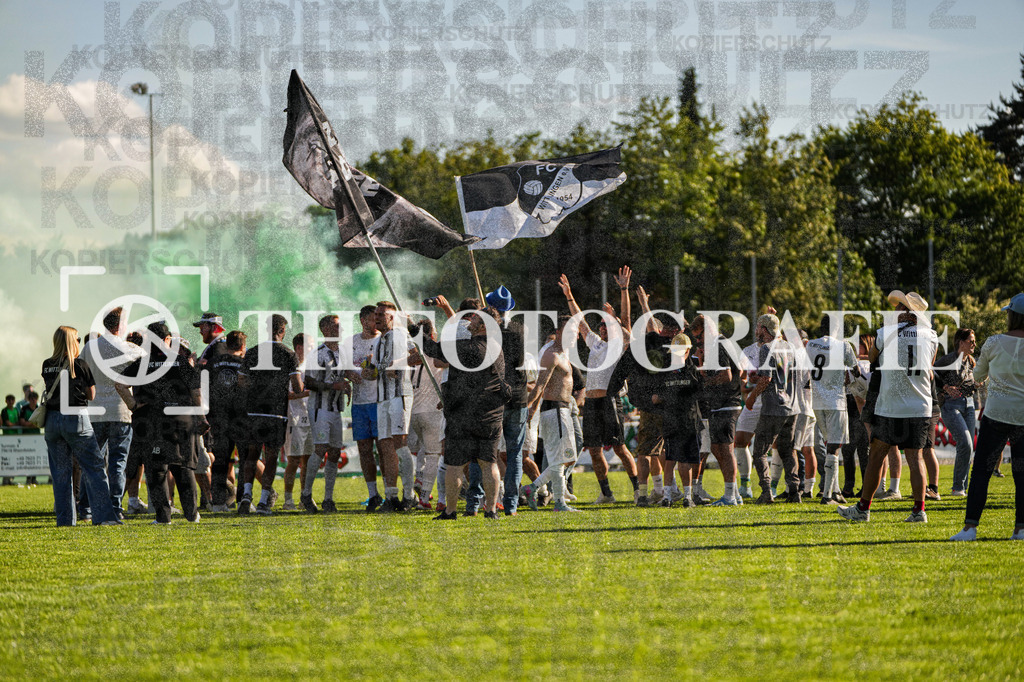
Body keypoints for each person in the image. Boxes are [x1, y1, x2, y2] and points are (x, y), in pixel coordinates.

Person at [839, 290, 938, 523]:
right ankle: (919, 511)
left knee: (875, 455)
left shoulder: (886, 333)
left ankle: (863, 509)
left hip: (891, 405)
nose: (894, 311)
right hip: (920, 405)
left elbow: (872, 358)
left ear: (905, 311)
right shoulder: (931, 335)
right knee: (916, 459)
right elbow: (929, 367)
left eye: (898, 307)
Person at [558, 271, 640, 505]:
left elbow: (627, 324)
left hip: (610, 400)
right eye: (602, 326)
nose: (603, 329)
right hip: (592, 403)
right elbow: (580, 321)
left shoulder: (620, 345)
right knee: (593, 450)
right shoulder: (596, 343)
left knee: (620, 447)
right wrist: (569, 295)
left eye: (607, 325)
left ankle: (637, 490)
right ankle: (607, 493)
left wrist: (624, 291)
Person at [422, 304, 509, 520]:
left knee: (454, 464)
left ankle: (450, 511)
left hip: (463, 415)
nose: (469, 321)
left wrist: (412, 328)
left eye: (474, 319)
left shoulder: (467, 347)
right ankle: (491, 510)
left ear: (483, 326)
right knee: (489, 462)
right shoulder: (497, 348)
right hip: (490, 416)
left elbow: (431, 349)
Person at [951, 293, 1024, 541]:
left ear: (1012, 316)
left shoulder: (993, 342)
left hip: (997, 414)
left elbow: (978, 375)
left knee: (981, 471)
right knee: (1022, 473)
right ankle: (1021, 529)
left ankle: (970, 528)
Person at [118, 321, 207, 525]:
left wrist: (132, 405)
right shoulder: (181, 361)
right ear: (167, 339)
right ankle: (192, 515)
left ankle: (163, 517)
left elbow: (119, 384)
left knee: (156, 469)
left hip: (152, 423)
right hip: (182, 421)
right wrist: (201, 417)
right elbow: (196, 392)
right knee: (183, 467)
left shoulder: (143, 363)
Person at [41, 326, 121, 526]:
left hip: (52, 420)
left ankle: (65, 521)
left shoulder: (46, 365)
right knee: (94, 468)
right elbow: (91, 395)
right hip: (75, 418)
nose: (78, 342)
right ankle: (104, 517)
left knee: (61, 474)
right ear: (71, 341)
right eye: (76, 338)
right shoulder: (80, 365)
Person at [81, 306, 145, 518]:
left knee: (92, 461)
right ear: (121, 325)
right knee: (118, 463)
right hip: (121, 411)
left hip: (95, 410)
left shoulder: (90, 348)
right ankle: (115, 508)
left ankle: (86, 507)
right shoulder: (131, 349)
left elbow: (79, 371)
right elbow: (147, 365)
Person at [238, 314, 303, 515]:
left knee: (251, 455)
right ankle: (264, 501)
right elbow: (298, 388)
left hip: (254, 410)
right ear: (282, 330)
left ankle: (247, 496)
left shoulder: (253, 352)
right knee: (271, 457)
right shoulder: (289, 354)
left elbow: (241, 382)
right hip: (276, 413)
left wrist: (256, 389)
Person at [522, 314, 581, 512]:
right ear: (558, 333)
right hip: (554, 410)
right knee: (560, 458)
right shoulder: (552, 354)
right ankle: (559, 503)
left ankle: (533, 488)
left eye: (576, 332)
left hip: (563, 410)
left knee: (567, 458)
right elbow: (540, 385)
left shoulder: (564, 354)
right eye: (570, 331)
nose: (575, 335)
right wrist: (529, 408)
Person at [366, 301, 419, 512]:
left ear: (391, 317)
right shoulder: (379, 340)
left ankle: (409, 496)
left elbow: (418, 356)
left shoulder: (400, 334)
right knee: (385, 447)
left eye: (381, 315)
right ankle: (391, 496)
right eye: (376, 314)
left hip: (400, 394)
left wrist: (397, 364)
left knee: (400, 445)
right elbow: (377, 371)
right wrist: (370, 370)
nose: (376, 318)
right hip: (382, 397)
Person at [485, 285, 532, 516]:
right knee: (514, 454)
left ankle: (482, 502)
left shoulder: (487, 331)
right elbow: (520, 363)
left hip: (494, 396)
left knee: (486, 452)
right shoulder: (519, 329)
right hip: (517, 396)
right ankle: (511, 505)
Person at [744, 314, 801, 504]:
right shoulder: (790, 347)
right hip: (791, 407)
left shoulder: (767, 348)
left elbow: (767, 379)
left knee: (760, 451)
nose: (756, 331)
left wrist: (751, 397)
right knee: (788, 450)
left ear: (764, 329)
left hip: (773, 407)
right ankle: (794, 491)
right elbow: (787, 375)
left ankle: (766, 492)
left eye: (758, 327)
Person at [689, 315, 744, 505]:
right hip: (719, 404)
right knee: (715, 447)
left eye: (699, 336)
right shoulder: (718, 345)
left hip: (726, 403)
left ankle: (730, 495)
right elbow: (741, 371)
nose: (698, 341)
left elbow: (727, 376)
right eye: (696, 338)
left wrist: (707, 382)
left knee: (726, 448)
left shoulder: (720, 345)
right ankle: (734, 492)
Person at [805, 316, 859, 504]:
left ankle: (835, 490)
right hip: (836, 401)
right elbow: (856, 371)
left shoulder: (810, 344)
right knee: (834, 448)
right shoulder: (844, 346)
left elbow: (807, 371)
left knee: (830, 444)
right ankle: (827, 495)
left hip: (817, 402)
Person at [301, 316, 351, 513]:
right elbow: (309, 382)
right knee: (321, 449)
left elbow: (342, 374)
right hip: (319, 408)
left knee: (336, 451)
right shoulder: (317, 354)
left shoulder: (341, 352)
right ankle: (306, 494)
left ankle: (328, 499)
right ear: (326, 329)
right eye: (337, 325)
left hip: (336, 409)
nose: (341, 328)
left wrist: (348, 382)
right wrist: (333, 386)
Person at [650, 333, 704, 507]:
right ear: (688, 350)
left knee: (672, 458)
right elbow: (701, 391)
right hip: (687, 418)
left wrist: (666, 397)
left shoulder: (665, 370)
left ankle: (668, 497)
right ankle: (687, 497)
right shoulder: (693, 369)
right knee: (683, 460)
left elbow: (655, 397)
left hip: (673, 418)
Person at [343, 305, 382, 512]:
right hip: (359, 404)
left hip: (379, 401)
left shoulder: (384, 340)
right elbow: (345, 367)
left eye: (379, 318)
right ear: (363, 321)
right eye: (373, 318)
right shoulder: (351, 342)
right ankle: (373, 494)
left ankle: (392, 492)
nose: (376, 321)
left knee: (384, 449)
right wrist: (352, 374)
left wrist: (375, 373)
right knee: (365, 450)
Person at [407, 319, 445, 510]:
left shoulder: (411, 354)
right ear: (431, 335)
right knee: (433, 454)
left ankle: (419, 480)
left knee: (422, 449)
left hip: (414, 411)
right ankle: (423, 498)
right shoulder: (436, 352)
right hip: (432, 410)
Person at [935, 328, 978, 497]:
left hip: (969, 405)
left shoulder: (972, 361)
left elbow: (971, 383)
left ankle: (962, 488)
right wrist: (945, 387)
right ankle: (957, 487)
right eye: (971, 340)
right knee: (965, 443)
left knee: (968, 447)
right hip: (951, 406)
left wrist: (978, 383)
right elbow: (931, 371)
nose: (974, 343)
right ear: (961, 342)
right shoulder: (948, 359)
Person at [207, 331, 247, 511]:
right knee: (245, 460)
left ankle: (218, 502)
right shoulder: (245, 364)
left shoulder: (213, 363)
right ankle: (243, 501)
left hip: (217, 417)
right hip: (239, 418)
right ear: (242, 346)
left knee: (220, 461)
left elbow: (202, 387)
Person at [283, 333, 314, 511]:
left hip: (311, 419)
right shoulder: (291, 366)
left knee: (308, 461)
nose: (312, 348)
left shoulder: (312, 366)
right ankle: (288, 500)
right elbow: (287, 395)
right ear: (299, 347)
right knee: (293, 460)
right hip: (295, 419)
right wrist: (309, 391)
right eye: (310, 345)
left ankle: (305, 497)